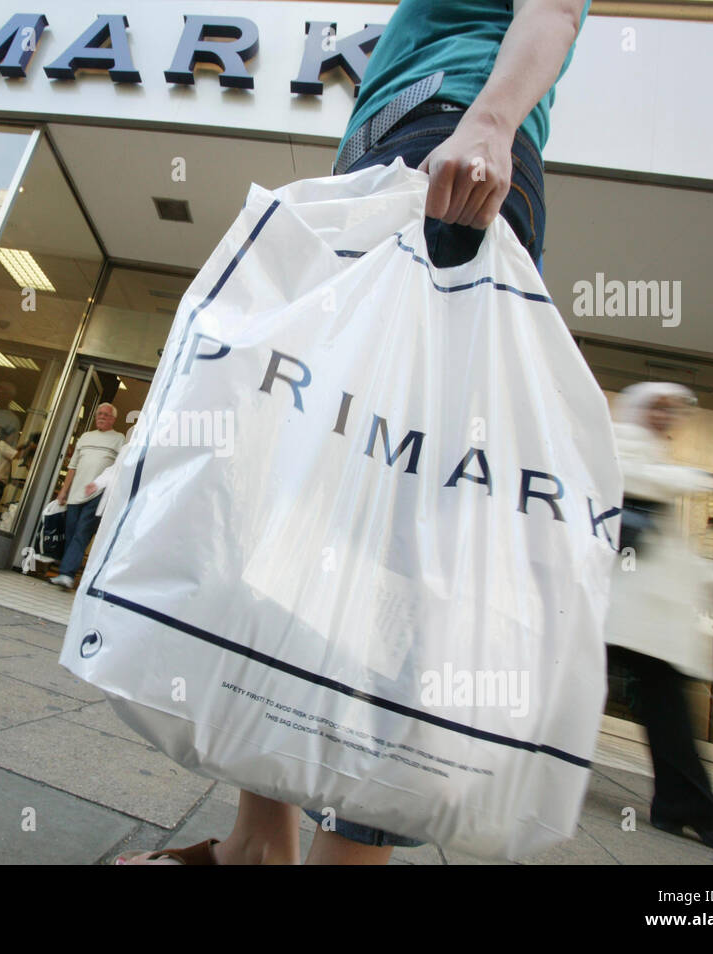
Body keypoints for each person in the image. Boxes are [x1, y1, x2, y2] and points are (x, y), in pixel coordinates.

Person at [121, 0, 591, 864]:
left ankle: (345, 857)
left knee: (395, 519)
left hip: (452, 138)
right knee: (322, 485)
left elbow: (555, 8)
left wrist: (489, 122)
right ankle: (260, 842)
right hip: (408, 141)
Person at [604, 383, 713, 859]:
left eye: (674, 410)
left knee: (665, 708)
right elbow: (625, 474)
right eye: (659, 407)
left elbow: (676, 551)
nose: (667, 417)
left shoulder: (658, 462)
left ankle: (683, 805)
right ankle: (694, 810)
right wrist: (686, 478)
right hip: (616, 612)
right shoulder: (619, 439)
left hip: (638, 620)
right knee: (663, 707)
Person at [49, 403, 124, 589]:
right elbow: (72, 467)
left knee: (82, 533)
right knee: (71, 533)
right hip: (76, 494)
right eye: (99, 413)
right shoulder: (85, 437)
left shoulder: (119, 439)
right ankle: (66, 573)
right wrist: (63, 492)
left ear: (113, 419)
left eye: (106, 414)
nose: (102, 416)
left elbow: (119, 469)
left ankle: (66, 574)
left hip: (98, 494)